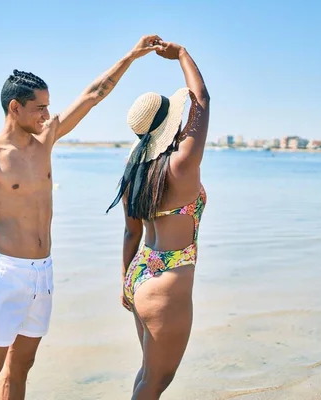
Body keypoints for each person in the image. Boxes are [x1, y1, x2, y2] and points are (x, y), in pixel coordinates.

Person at [0, 35, 165, 400]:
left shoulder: (45, 140)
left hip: (41, 274)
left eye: (48, 107)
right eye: (40, 108)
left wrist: (131, 55)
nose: (47, 115)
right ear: (14, 108)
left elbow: (94, 93)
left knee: (20, 371)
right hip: (3, 275)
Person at [106, 40, 210, 399]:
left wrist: (125, 281)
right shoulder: (181, 164)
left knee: (148, 375)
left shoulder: (134, 169)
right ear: (172, 121)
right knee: (156, 381)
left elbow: (129, 231)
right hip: (167, 283)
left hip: (140, 272)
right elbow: (203, 101)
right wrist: (181, 55)